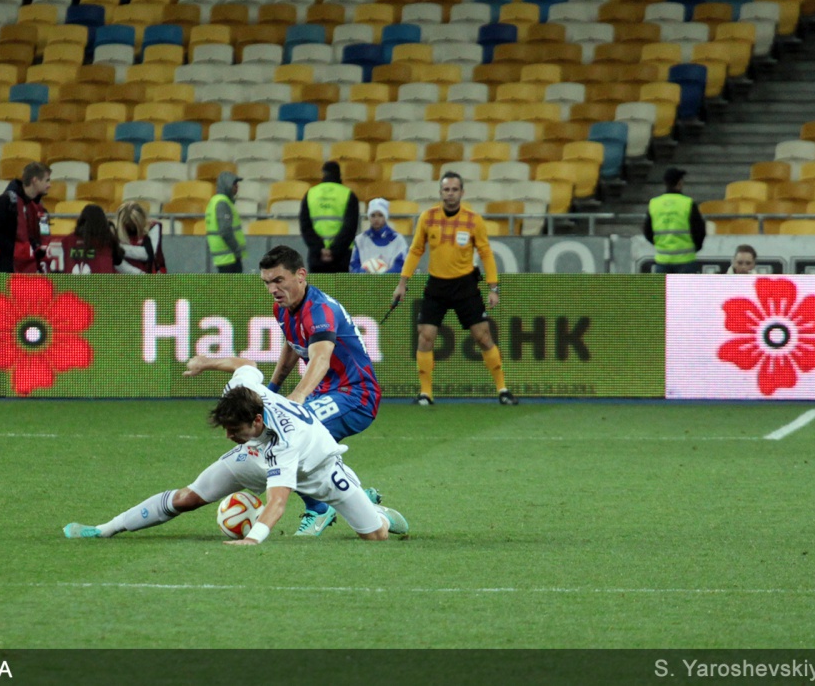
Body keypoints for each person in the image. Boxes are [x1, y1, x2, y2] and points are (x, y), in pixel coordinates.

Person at [63, 356, 408, 545]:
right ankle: (106, 528)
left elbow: (277, 503)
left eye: (235, 431)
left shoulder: (285, 441)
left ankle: (377, 512)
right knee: (187, 497)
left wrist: (252, 540)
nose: (228, 436)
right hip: (256, 457)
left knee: (375, 536)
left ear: (257, 421)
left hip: (320, 472)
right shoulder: (242, 391)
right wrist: (206, 362)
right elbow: (247, 365)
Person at [261, 245, 381, 536]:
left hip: (356, 394)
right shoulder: (283, 308)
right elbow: (293, 345)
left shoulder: (319, 310)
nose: (273, 289)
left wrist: (297, 397)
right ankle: (357, 498)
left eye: (279, 280)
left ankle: (319, 509)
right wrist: (272, 390)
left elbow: (320, 359)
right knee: (279, 435)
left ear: (301, 275)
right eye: (267, 282)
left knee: (290, 435)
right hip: (327, 393)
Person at [392, 171, 518, 407]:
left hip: (465, 285)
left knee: (483, 337)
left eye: (454, 189)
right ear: (440, 192)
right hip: (436, 285)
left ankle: (502, 389)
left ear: (462, 192)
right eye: (446, 189)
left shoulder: (473, 220)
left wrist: (493, 287)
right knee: (425, 336)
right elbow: (416, 250)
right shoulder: (428, 218)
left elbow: (486, 253)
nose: (450, 193)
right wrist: (402, 283)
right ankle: (426, 393)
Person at [0, 161, 52, 273]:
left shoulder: (39, 207)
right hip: (7, 268)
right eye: (47, 180)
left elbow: (44, 233)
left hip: (29, 267)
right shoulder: (7, 201)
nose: (49, 185)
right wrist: (15, 250)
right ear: (35, 180)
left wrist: (40, 250)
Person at [299, 161, 360, 273]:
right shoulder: (348, 194)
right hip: (342, 257)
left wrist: (319, 249)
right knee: (341, 286)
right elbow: (350, 228)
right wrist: (334, 250)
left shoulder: (310, 194)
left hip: (317, 258)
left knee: (318, 285)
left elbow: (305, 226)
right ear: (339, 175)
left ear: (323, 174)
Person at [643, 167, 706, 274]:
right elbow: (699, 230)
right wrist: (695, 247)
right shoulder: (687, 203)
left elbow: (647, 231)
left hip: (662, 260)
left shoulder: (654, 203)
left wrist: (660, 245)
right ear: (680, 183)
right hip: (686, 261)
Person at [62, 204, 143, 274]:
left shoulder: (67, 241)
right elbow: (118, 261)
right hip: (101, 286)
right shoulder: (107, 240)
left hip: (72, 286)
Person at [349, 198, 408, 274]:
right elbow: (354, 265)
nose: (376, 219)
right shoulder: (360, 240)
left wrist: (383, 277)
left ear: (385, 217)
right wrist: (364, 274)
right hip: (365, 281)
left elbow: (400, 265)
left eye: (380, 215)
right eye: (373, 215)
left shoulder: (398, 240)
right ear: (369, 217)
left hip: (391, 281)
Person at [205, 171, 246, 273]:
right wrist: (236, 249)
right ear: (227, 185)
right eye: (234, 184)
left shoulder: (216, 201)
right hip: (229, 257)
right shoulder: (222, 203)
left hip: (225, 257)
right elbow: (225, 231)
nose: (237, 187)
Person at [115, 200, 167, 273]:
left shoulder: (153, 227)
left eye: (134, 225)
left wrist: (118, 249)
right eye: (128, 226)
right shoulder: (114, 232)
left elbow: (147, 254)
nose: (131, 228)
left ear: (142, 219)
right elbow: (117, 262)